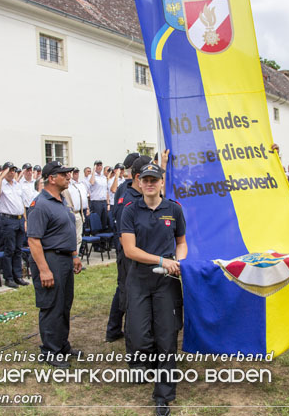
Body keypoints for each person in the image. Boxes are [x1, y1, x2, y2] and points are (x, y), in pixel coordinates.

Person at [121, 162, 187, 416]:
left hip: (166, 283)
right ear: (139, 182)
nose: (149, 184)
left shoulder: (174, 209)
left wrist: (179, 261)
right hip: (138, 278)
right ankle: (146, 365)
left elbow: (181, 242)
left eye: (154, 180)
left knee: (167, 337)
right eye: (145, 180)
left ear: (162, 182)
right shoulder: (130, 210)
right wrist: (162, 260)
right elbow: (130, 250)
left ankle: (163, 395)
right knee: (138, 336)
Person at [27, 160, 83, 368]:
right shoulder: (39, 204)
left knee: (64, 304)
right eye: (64, 174)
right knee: (51, 305)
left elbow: (66, 230)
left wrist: (74, 255)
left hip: (65, 259)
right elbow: (33, 240)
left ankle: (62, 344)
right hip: (50, 259)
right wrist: (43, 269)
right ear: (51, 178)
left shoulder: (60, 200)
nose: (69, 176)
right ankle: (50, 350)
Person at [104, 153, 144, 344]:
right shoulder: (128, 193)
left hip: (127, 248)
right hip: (128, 250)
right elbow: (123, 225)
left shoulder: (123, 188)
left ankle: (113, 329)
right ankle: (127, 332)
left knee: (123, 289)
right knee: (127, 291)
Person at [0, 162, 29, 288]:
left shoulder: (17, 185)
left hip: (19, 219)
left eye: (13, 171)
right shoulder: (1, 184)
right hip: (7, 220)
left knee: (18, 249)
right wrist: (0, 177)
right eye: (9, 171)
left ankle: (18, 276)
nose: (12, 173)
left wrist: (25, 219)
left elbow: (21, 203)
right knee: (9, 250)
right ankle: (9, 277)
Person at [64, 168, 88, 254]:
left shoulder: (75, 185)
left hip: (78, 213)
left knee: (78, 238)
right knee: (71, 238)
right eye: (68, 173)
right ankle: (71, 259)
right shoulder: (63, 187)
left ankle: (76, 258)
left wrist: (82, 213)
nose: (69, 175)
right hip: (70, 213)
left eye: (70, 173)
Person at [88, 160, 109, 231]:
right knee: (96, 223)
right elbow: (92, 182)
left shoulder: (103, 177)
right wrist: (93, 171)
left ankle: (103, 241)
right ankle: (96, 240)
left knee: (104, 221)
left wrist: (107, 203)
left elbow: (106, 190)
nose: (99, 167)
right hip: (96, 202)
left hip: (104, 201)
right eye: (97, 165)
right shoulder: (91, 176)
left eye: (100, 165)